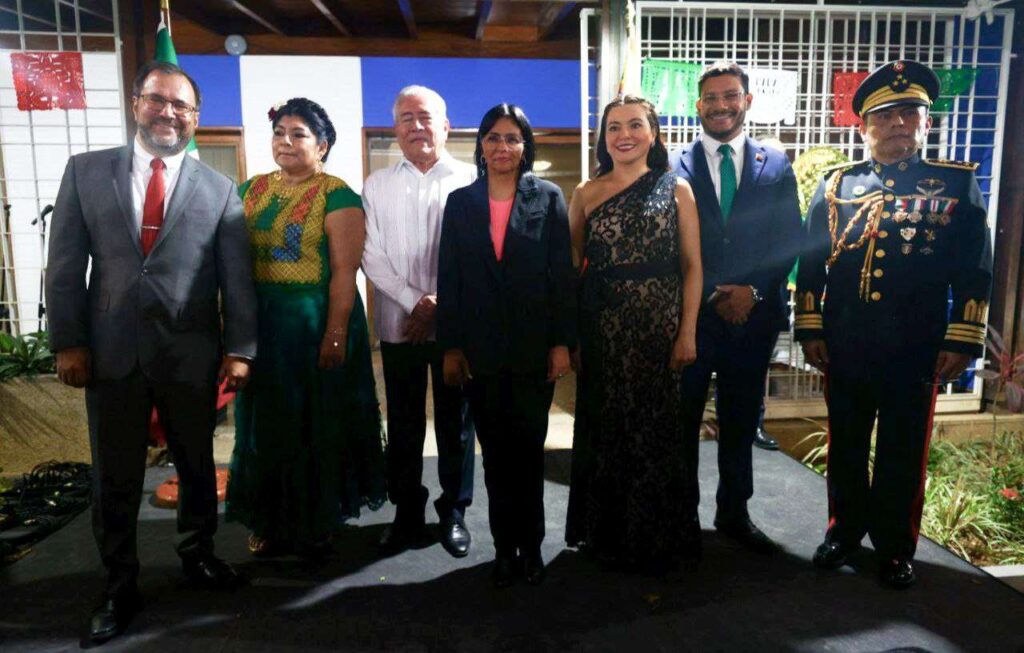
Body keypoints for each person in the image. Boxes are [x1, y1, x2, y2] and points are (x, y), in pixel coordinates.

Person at [46, 61, 257, 644]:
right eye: (158, 100)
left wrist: (240, 350)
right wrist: (68, 341)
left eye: (182, 106)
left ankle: (198, 555)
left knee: (195, 468)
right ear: (136, 103)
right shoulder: (86, 173)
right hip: (109, 355)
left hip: (190, 357)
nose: (169, 113)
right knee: (114, 477)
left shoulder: (219, 191)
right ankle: (118, 583)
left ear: (195, 118)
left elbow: (235, 279)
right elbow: (65, 266)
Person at [796, 60, 993, 588]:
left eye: (910, 113)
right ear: (865, 125)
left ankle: (895, 545)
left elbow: (975, 271)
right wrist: (811, 329)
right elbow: (813, 264)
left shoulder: (955, 185)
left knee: (905, 449)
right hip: (848, 341)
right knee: (848, 442)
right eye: (886, 116)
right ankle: (843, 531)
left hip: (917, 345)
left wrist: (962, 337)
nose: (899, 124)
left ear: (926, 122)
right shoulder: (838, 185)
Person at [226, 98, 387, 560]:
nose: (286, 142)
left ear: (323, 145)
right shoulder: (250, 190)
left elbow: (344, 272)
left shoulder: (337, 194)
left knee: (317, 425)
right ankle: (269, 520)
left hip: (317, 324)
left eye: (298, 134)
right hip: (264, 328)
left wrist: (335, 333)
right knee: (265, 426)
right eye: (279, 132)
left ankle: (319, 518)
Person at [437, 104, 575, 587]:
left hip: (534, 351)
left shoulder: (550, 198)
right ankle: (502, 548)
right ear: (480, 146)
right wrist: (451, 347)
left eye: (512, 138)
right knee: (495, 458)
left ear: (525, 146)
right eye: (493, 138)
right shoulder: (460, 203)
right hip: (480, 353)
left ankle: (532, 547)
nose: (502, 147)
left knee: (527, 456)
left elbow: (561, 277)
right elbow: (448, 280)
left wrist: (562, 344)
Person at [564, 95, 703, 572]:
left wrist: (687, 332)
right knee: (607, 429)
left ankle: (656, 534)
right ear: (604, 137)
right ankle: (606, 535)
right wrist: (573, 336)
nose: (624, 134)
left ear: (654, 132)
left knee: (656, 430)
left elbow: (691, 267)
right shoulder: (585, 192)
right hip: (602, 325)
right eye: (614, 127)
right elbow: (571, 269)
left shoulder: (677, 187)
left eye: (635, 125)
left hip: (658, 329)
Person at [670, 61, 802, 555]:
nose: (720, 105)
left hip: (754, 316)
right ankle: (681, 515)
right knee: (681, 421)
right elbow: (667, 246)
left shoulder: (777, 163)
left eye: (730, 96)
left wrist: (753, 291)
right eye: (711, 98)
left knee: (740, 418)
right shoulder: (671, 164)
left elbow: (789, 238)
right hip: (692, 320)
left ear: (746, 101)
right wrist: (707, 295)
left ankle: (734, 513)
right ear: (697, 105)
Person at [362, 86, 477, 557]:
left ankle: (454, 511)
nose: (416, 126)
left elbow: (479, 259)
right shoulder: (377, 185)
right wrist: (416, 303)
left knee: (456, 424)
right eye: (406, 118)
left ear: (446, 125)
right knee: (405, 424)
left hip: (457, 329)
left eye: (425, 117)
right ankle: (406, 509)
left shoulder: (474, 180)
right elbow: (372, 257)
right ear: (395, 129)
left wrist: (440, 305)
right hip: (398, 326)